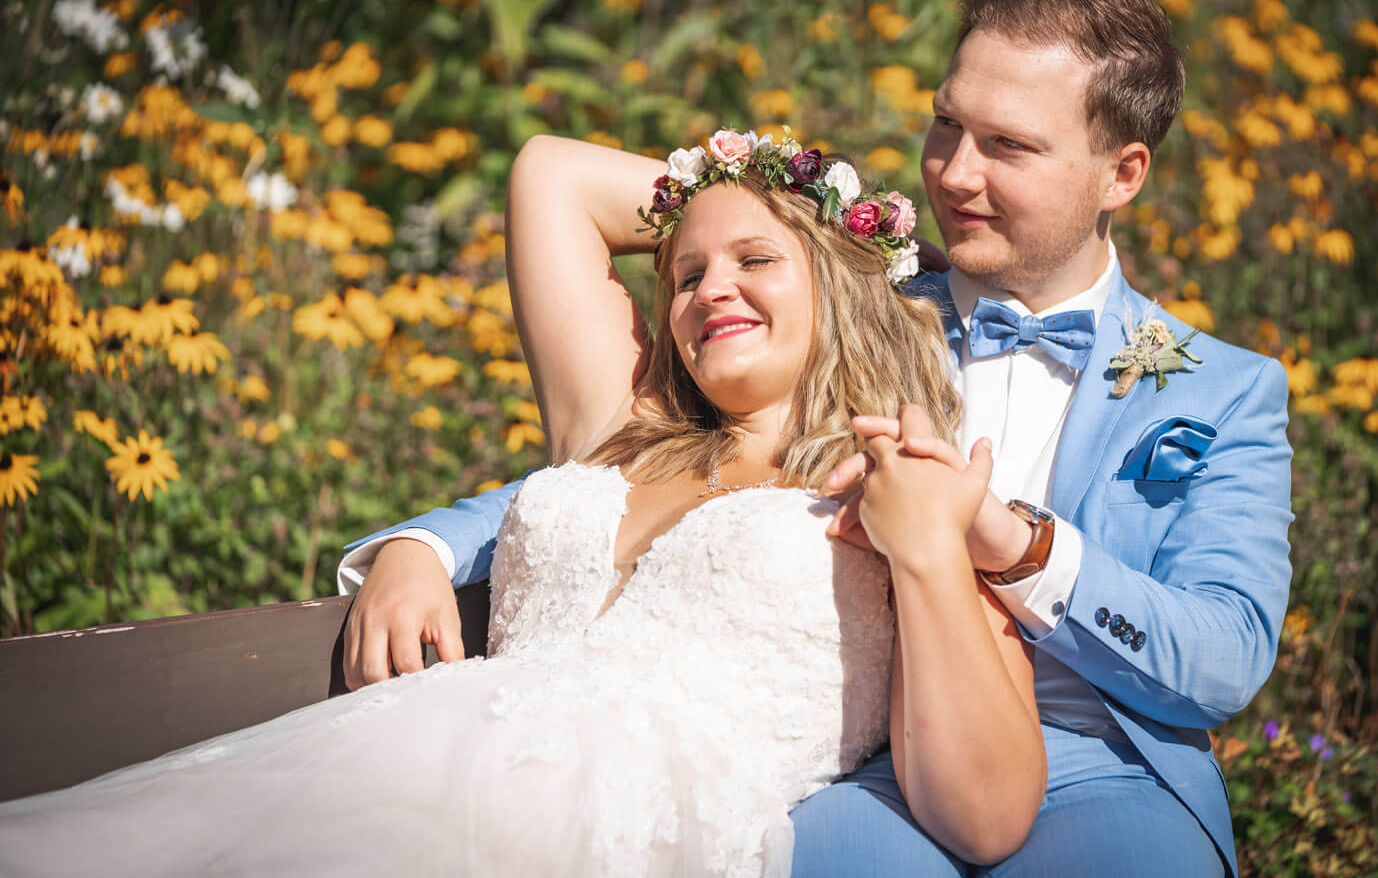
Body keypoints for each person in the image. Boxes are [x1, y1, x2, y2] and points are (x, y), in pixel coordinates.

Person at [342, 0, 1293, 877]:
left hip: (1109, 765)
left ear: (1122, 173)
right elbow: (650, 467)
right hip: (872, 762)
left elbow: (1223, 657)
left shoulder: (1223, 391)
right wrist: (432, 539)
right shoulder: (852, 307)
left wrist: (1016, 544)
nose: (955, 174)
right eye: (946, 125)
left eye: (1008, 146)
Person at [0, 130, 1046, 876]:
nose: (707, 289)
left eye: (755, 261)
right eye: (683, 274)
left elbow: (990, 816)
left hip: (621, 841)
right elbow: (551, 175)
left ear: (844, 291)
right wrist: (762, 194)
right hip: (397, 765)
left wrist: (843, 235)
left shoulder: (887, 485)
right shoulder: (618, 426)